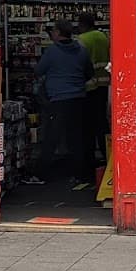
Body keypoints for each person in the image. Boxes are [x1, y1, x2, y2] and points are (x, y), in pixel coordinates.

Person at [34, 19, 94, 189]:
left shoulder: (52, 52)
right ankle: (79, 175)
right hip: (78, 99)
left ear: (59, 33)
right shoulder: (81, 51)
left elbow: (38, 71)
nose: (51, 33)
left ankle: (42, 174)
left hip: (58, 99)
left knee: (51, 138)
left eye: (53, 31)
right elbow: (89, 72)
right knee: (76, 138)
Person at [77, 12, 110, 169]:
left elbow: (80, 63)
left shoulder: (82, 40)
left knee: (88, 126)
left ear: (82, 24)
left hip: (89, 87)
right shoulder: (104, 37)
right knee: (102, 123)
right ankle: (108, 154)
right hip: (104, 85)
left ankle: (88, 162)